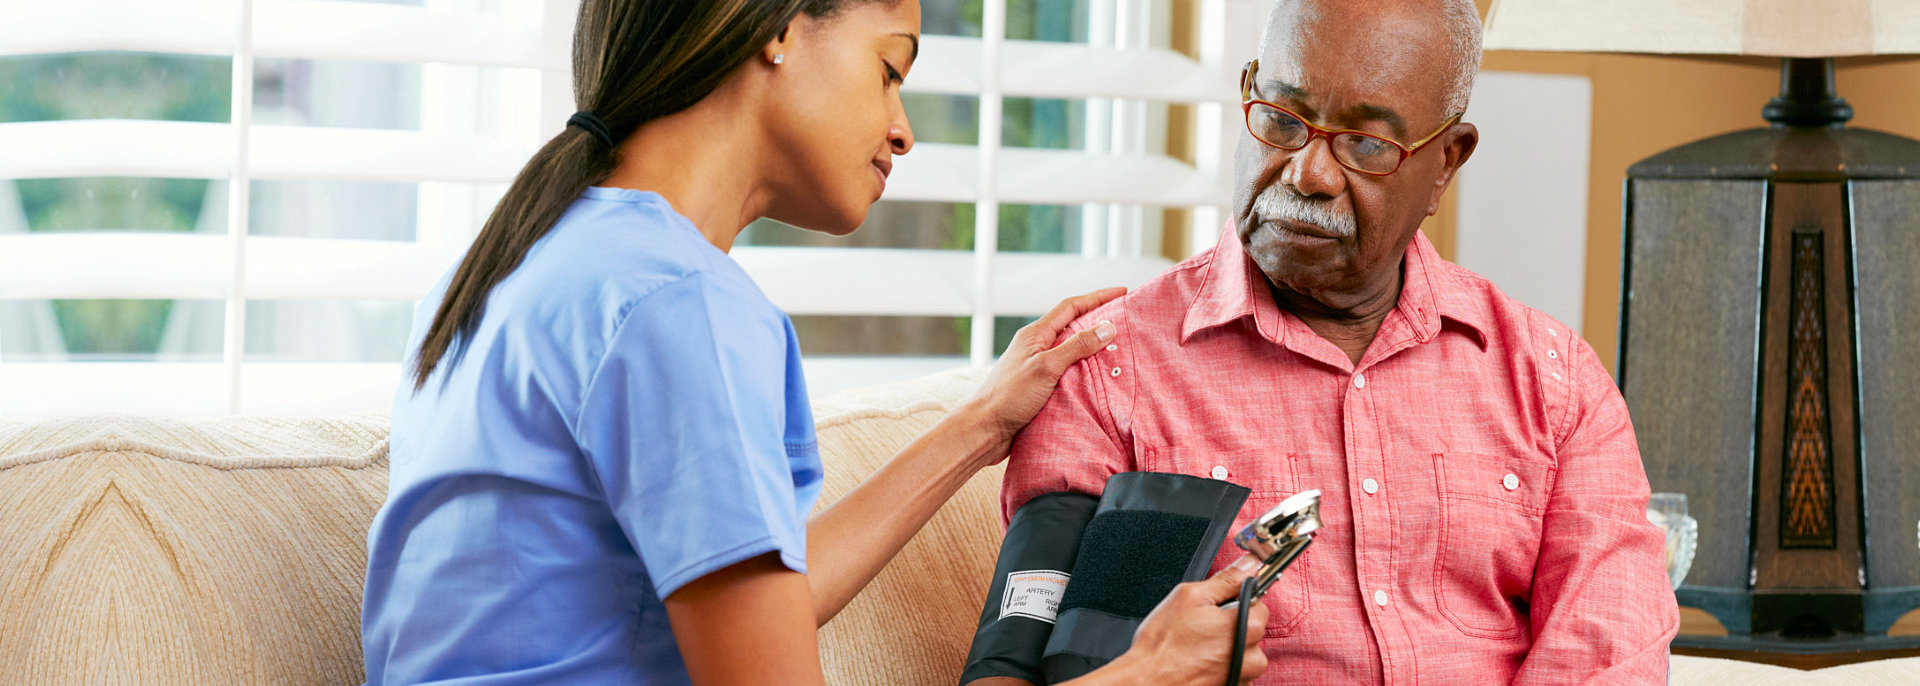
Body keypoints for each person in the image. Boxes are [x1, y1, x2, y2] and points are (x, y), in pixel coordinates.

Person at [358, 1, 1266, 684]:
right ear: (783, 29)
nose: (904, 128)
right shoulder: (679, 308)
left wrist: (983, 428)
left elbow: (751, 609)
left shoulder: (523, 262)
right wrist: (1139, 673)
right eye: (890, 69)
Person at [996, 0, 1681, 683]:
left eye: (1366, 145)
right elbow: (1019, 665)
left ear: (1446, 161)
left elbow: (1607, 658)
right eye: (1282, 120)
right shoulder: (1107, 369)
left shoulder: (1554, 383)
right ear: (1248, 94)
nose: (1308, 175)